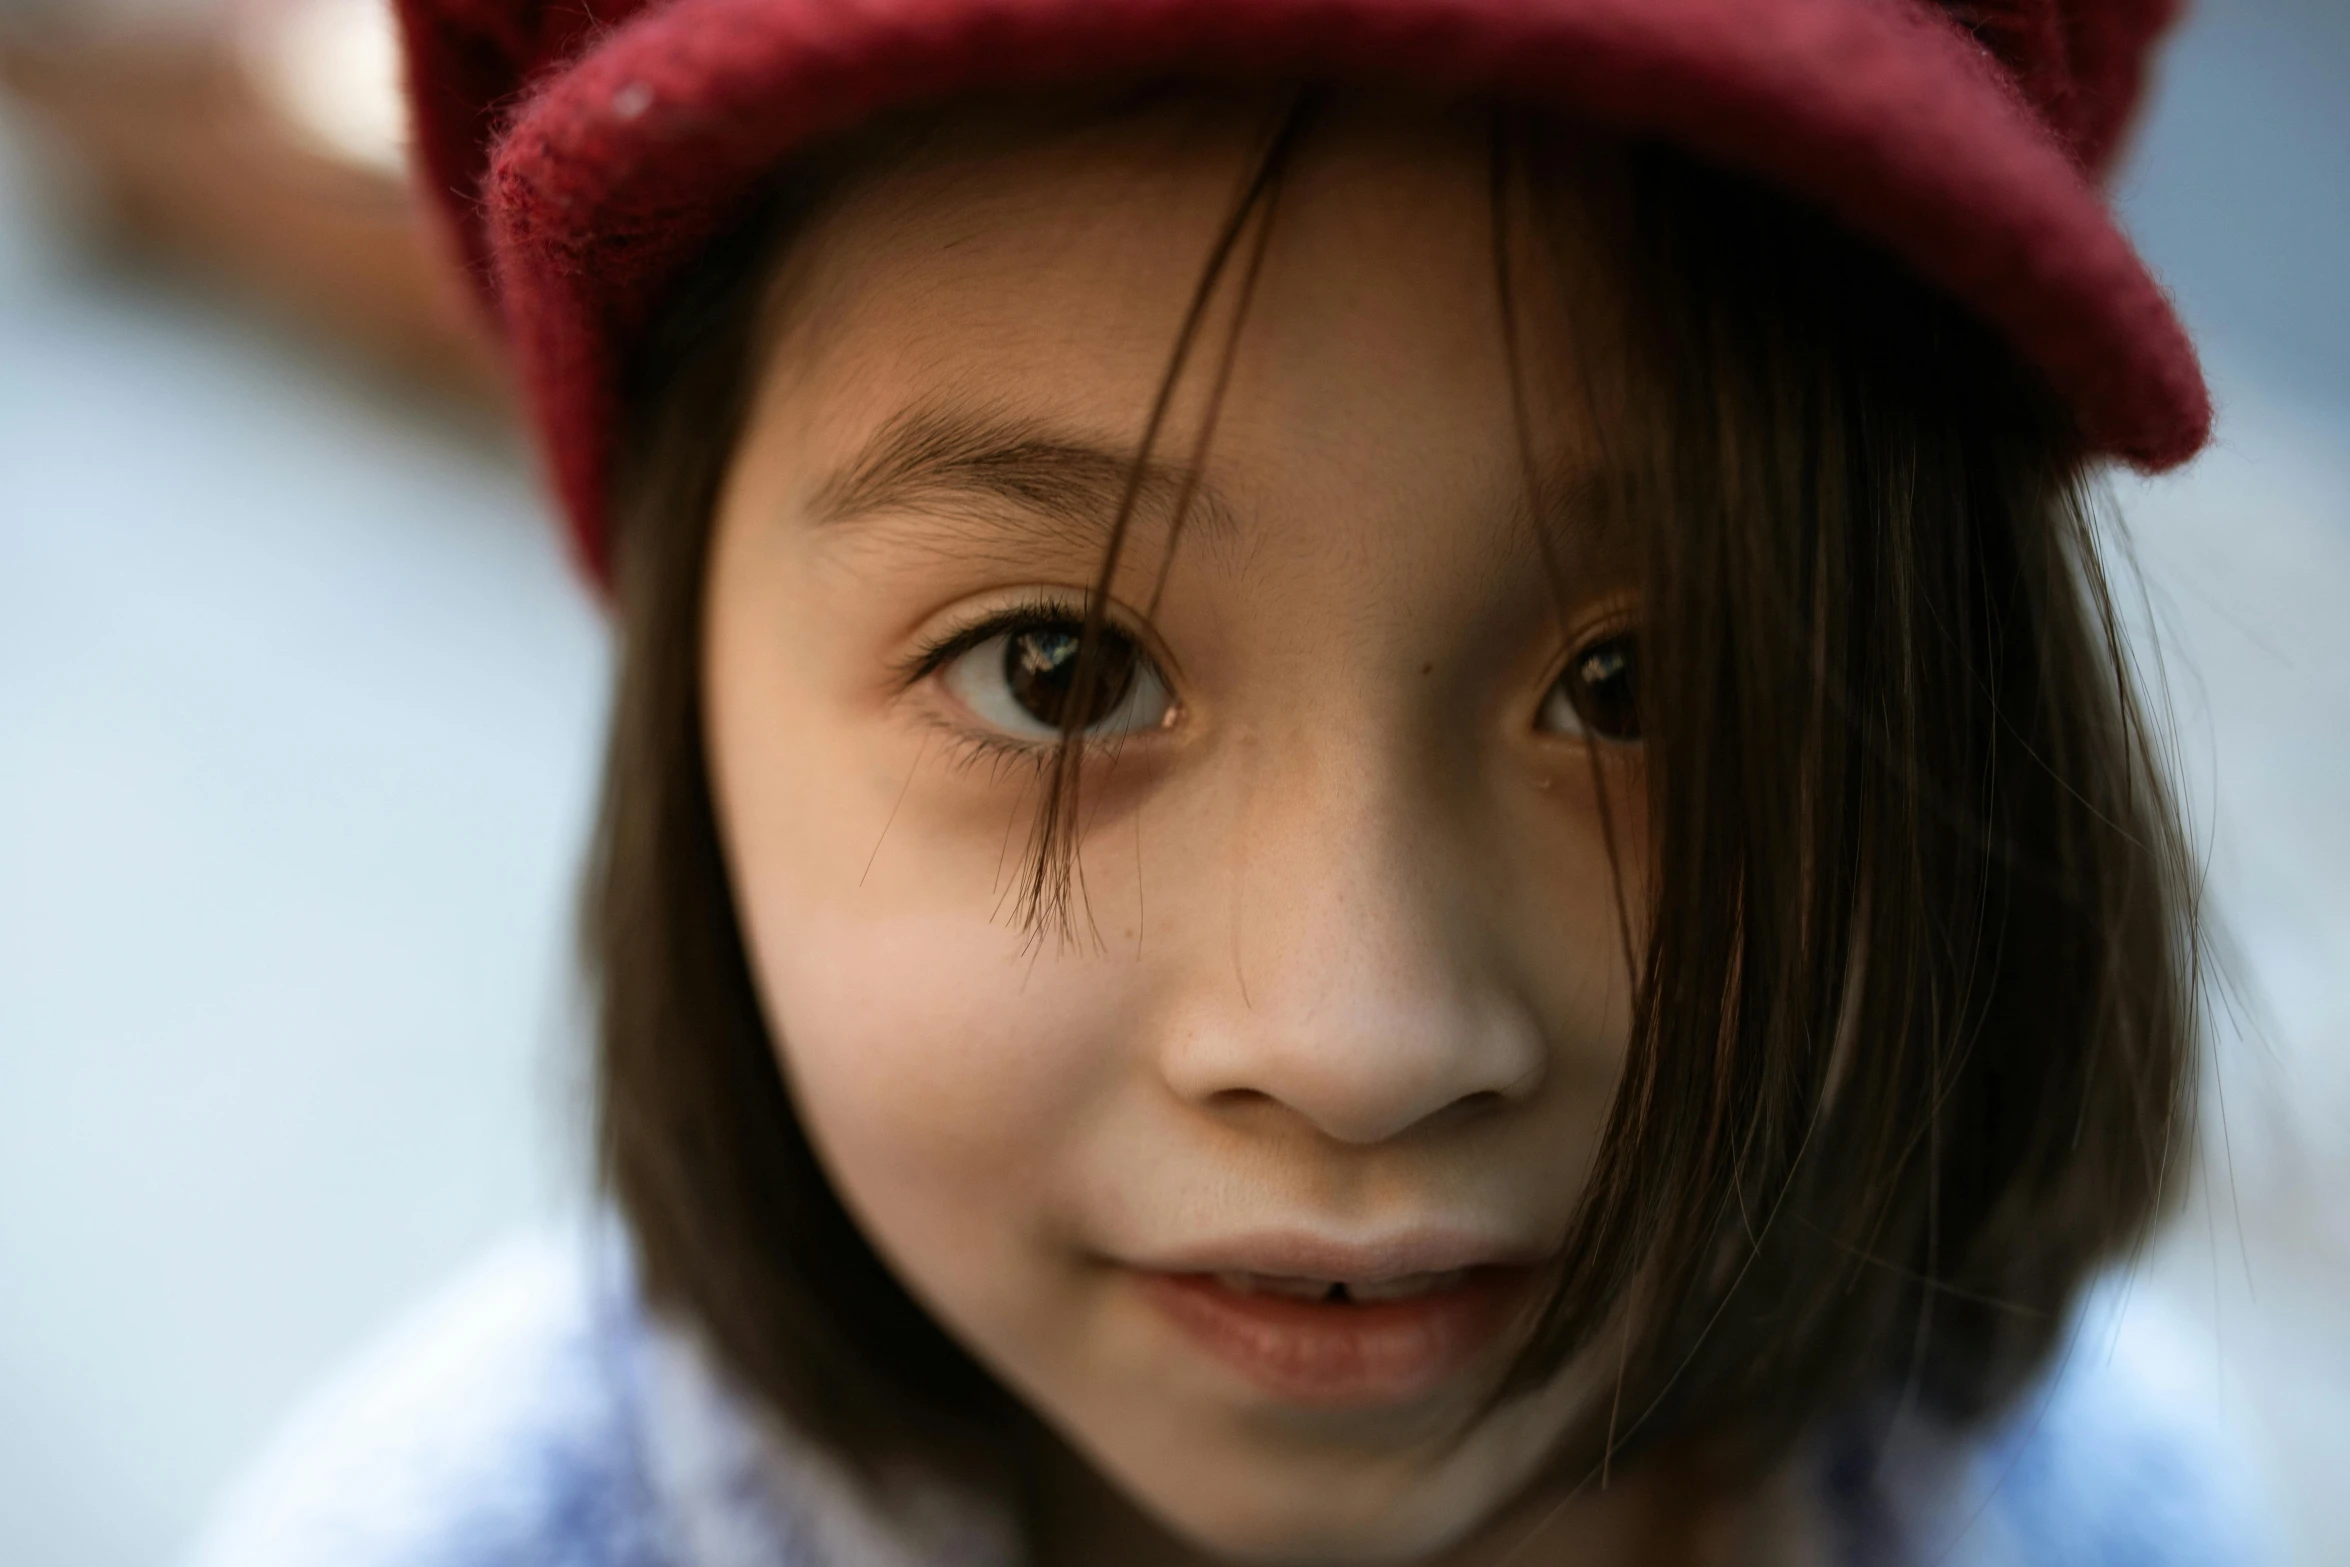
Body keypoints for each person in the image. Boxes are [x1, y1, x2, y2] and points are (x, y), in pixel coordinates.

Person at [190, 1, 2275, 1562]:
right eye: (1059, 667)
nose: (1359, 1041)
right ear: (688, 694)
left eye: (1647, 684)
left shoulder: (2111, 1517)